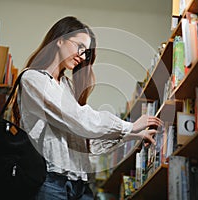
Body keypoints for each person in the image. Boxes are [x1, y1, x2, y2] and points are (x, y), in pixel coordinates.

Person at [13, 16, 163, 200]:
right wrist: (128, 126)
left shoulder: (66, 86)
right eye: (80, 47)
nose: (83, 56)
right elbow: (78, 119)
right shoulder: (33, 79)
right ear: (60, 40)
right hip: (50, 181)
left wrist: (130, 136)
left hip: (79, 185)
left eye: (87, 53)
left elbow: (84, 140)